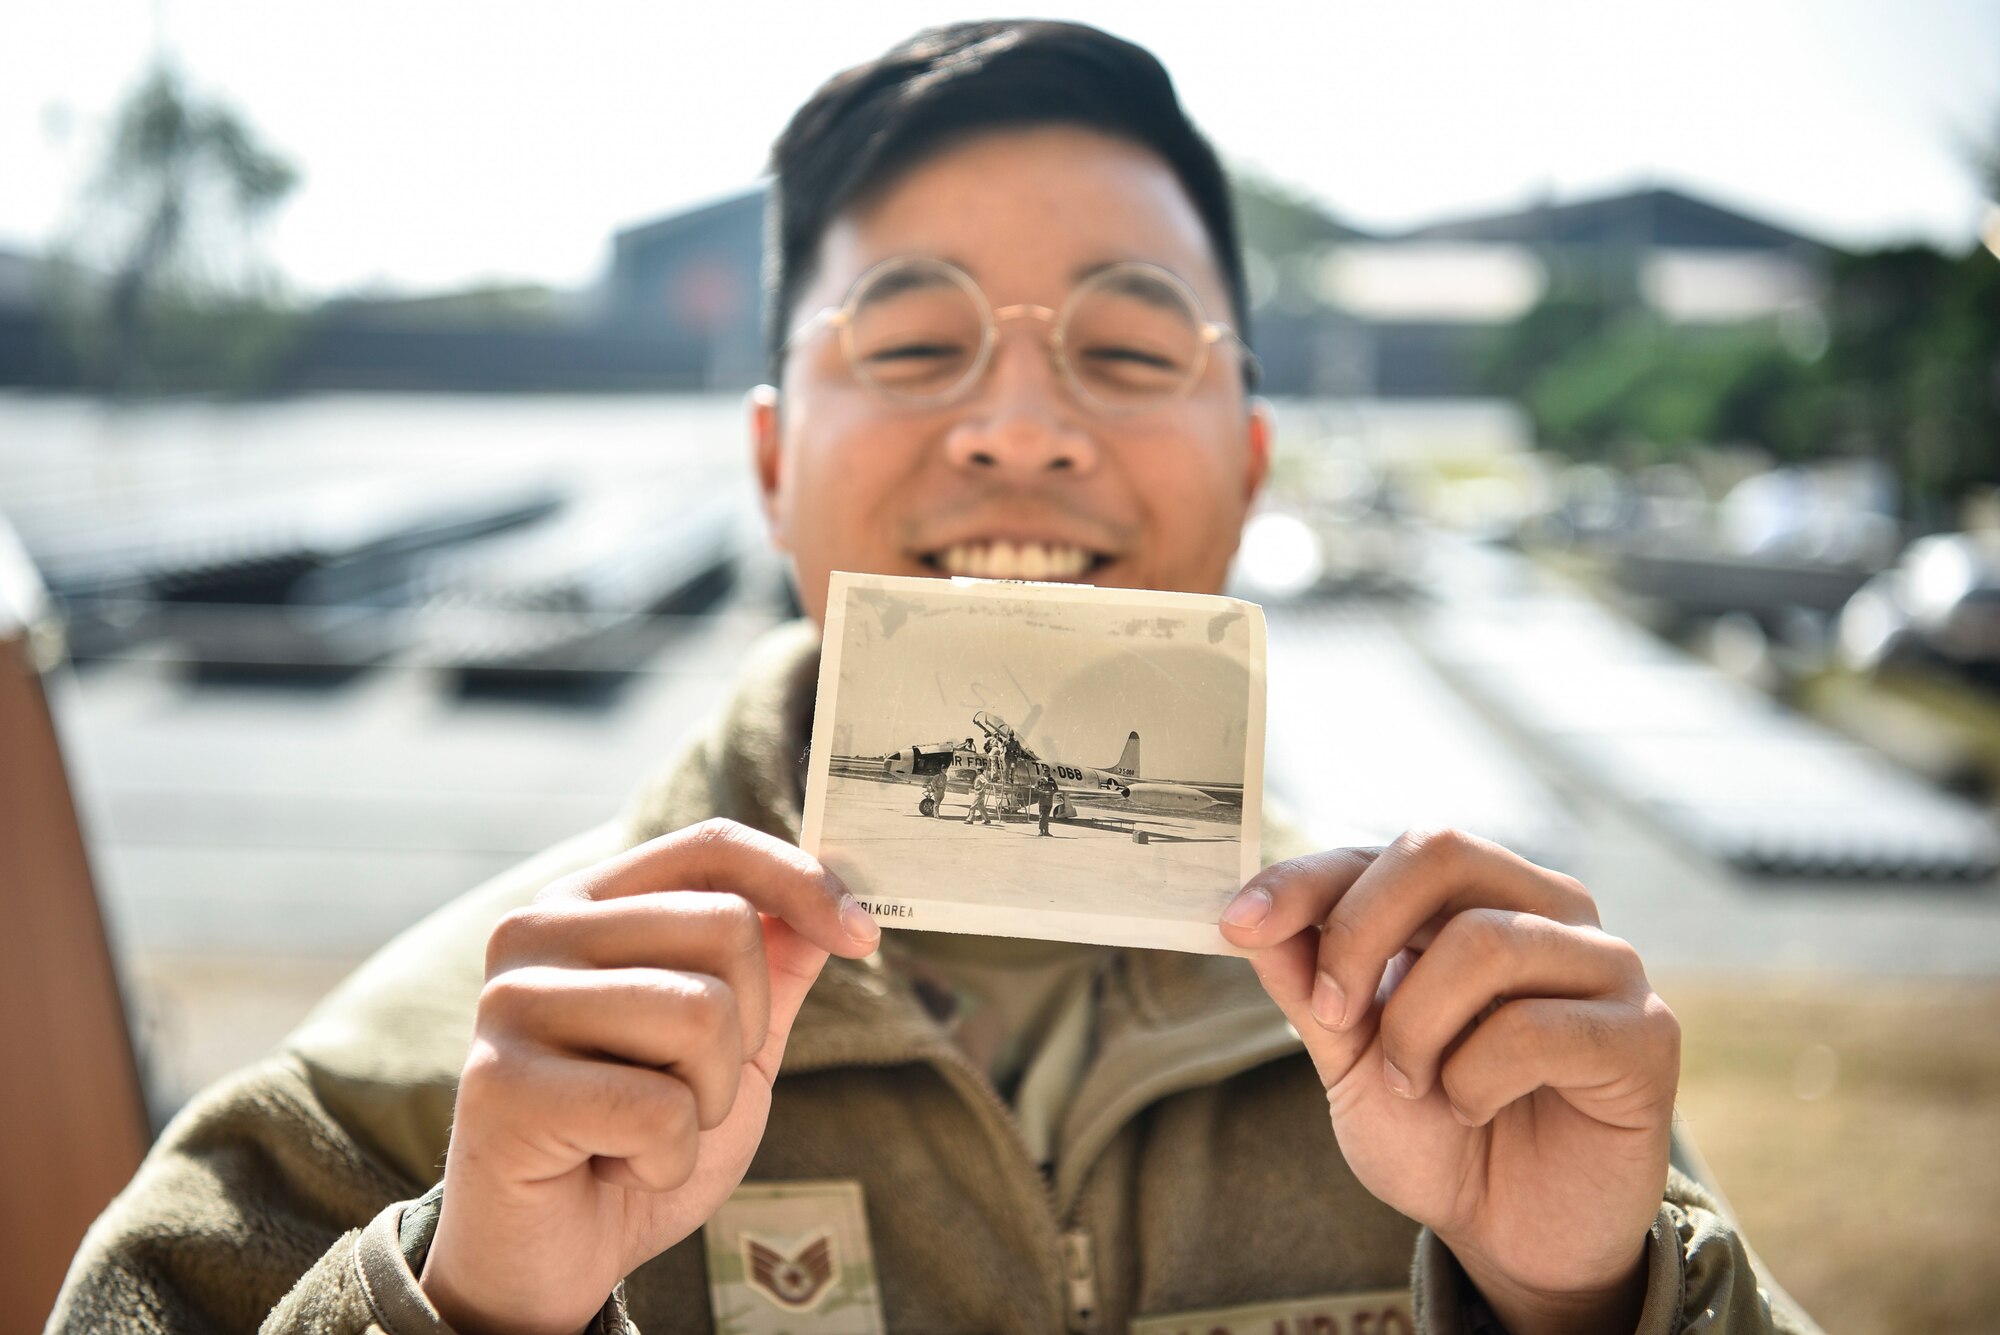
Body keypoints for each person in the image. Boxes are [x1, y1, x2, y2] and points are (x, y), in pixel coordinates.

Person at [53, 20, 1813, 1335]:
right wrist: (468, 1305)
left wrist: (1585, 1304)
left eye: (1130, 347)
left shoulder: (1483, 1069)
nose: (1025, 427)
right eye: (909, 344)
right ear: (768, 460)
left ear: (1255, 459)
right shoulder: (399, 1100)